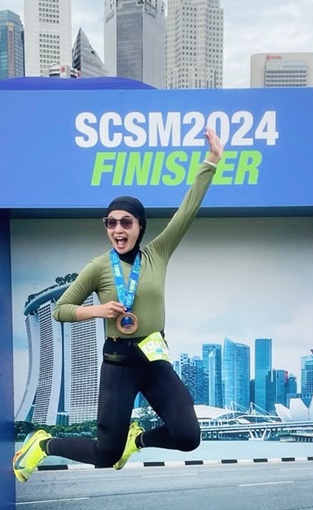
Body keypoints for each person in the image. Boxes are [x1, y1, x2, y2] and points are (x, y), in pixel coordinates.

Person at [12, 128, 225, 482]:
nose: (117, 229)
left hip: (154, 359)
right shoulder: (98, 267)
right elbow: (60, 310)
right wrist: (98, 311)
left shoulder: (158, 253)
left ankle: (136, 440)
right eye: (111, 223)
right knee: (105, 455)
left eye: (125, 222)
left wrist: (212, 160)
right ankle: (42, 444)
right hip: (118, 364)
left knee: (188, 437)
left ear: (140, 226)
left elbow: (188, 208)